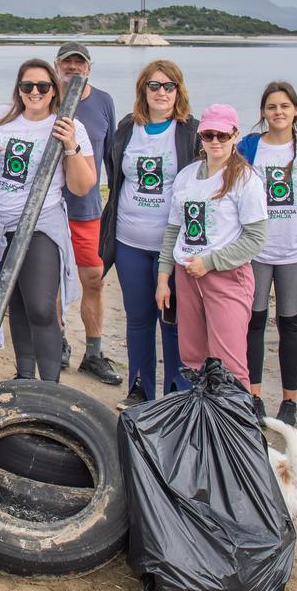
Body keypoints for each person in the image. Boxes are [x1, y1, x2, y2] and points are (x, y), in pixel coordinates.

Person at [0, 60, 95, 382]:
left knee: (41, 306)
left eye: (43, 86)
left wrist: (70, 146)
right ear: (19, 89)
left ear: (54, 89)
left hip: (41, 222)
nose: (35, 92)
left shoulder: (68, 125)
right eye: (28, 86)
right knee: (16, 302)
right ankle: (25, 376)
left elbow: (82, 186)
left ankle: (50, 384)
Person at [100, 60, 199, 406]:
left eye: (169, 86)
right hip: (130, 240)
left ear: (178, 91)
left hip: (173, 245)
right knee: (138, 318)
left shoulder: (190, 131)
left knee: (172, 319)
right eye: (154, 86)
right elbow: (115, 173)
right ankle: (140, 388)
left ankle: (176, 390)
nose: (161, 93)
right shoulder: (128, 128)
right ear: (143, 90)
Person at [154, 105, 268, 396]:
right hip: (186, 275)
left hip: (226, 277)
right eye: (208, 135)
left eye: (222, 135)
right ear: (201, 137)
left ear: (235, 136)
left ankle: (236, 419)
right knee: (193, 356)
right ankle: (204, 416)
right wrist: (164, 278)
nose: (215, 141)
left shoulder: (246, 179)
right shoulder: (186, 176)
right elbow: (173, 230)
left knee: (229, 361)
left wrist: (210, 262)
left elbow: (255, 239)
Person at [237, 82, 297, 426]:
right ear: (263, 111)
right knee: (254, 321)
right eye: (272, 106)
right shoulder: (249, 148)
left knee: (290, 323)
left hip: (296, 251)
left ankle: (290, 401)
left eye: (285, 106)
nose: (278, 112)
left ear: (295, 110)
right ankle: (254, 395)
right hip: (256, 251)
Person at [53, 42, 120, 385]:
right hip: (50, 206)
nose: (74, 68)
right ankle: (58, 341)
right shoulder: (44, 96)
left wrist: (115, 201)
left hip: (87, 208)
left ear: (89, 68)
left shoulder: (103, 101)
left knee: (93, 278)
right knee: (51, 280)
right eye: (68, 63)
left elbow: (111, 157)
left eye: (80, 63)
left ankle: (93, 352)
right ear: (57, 66)